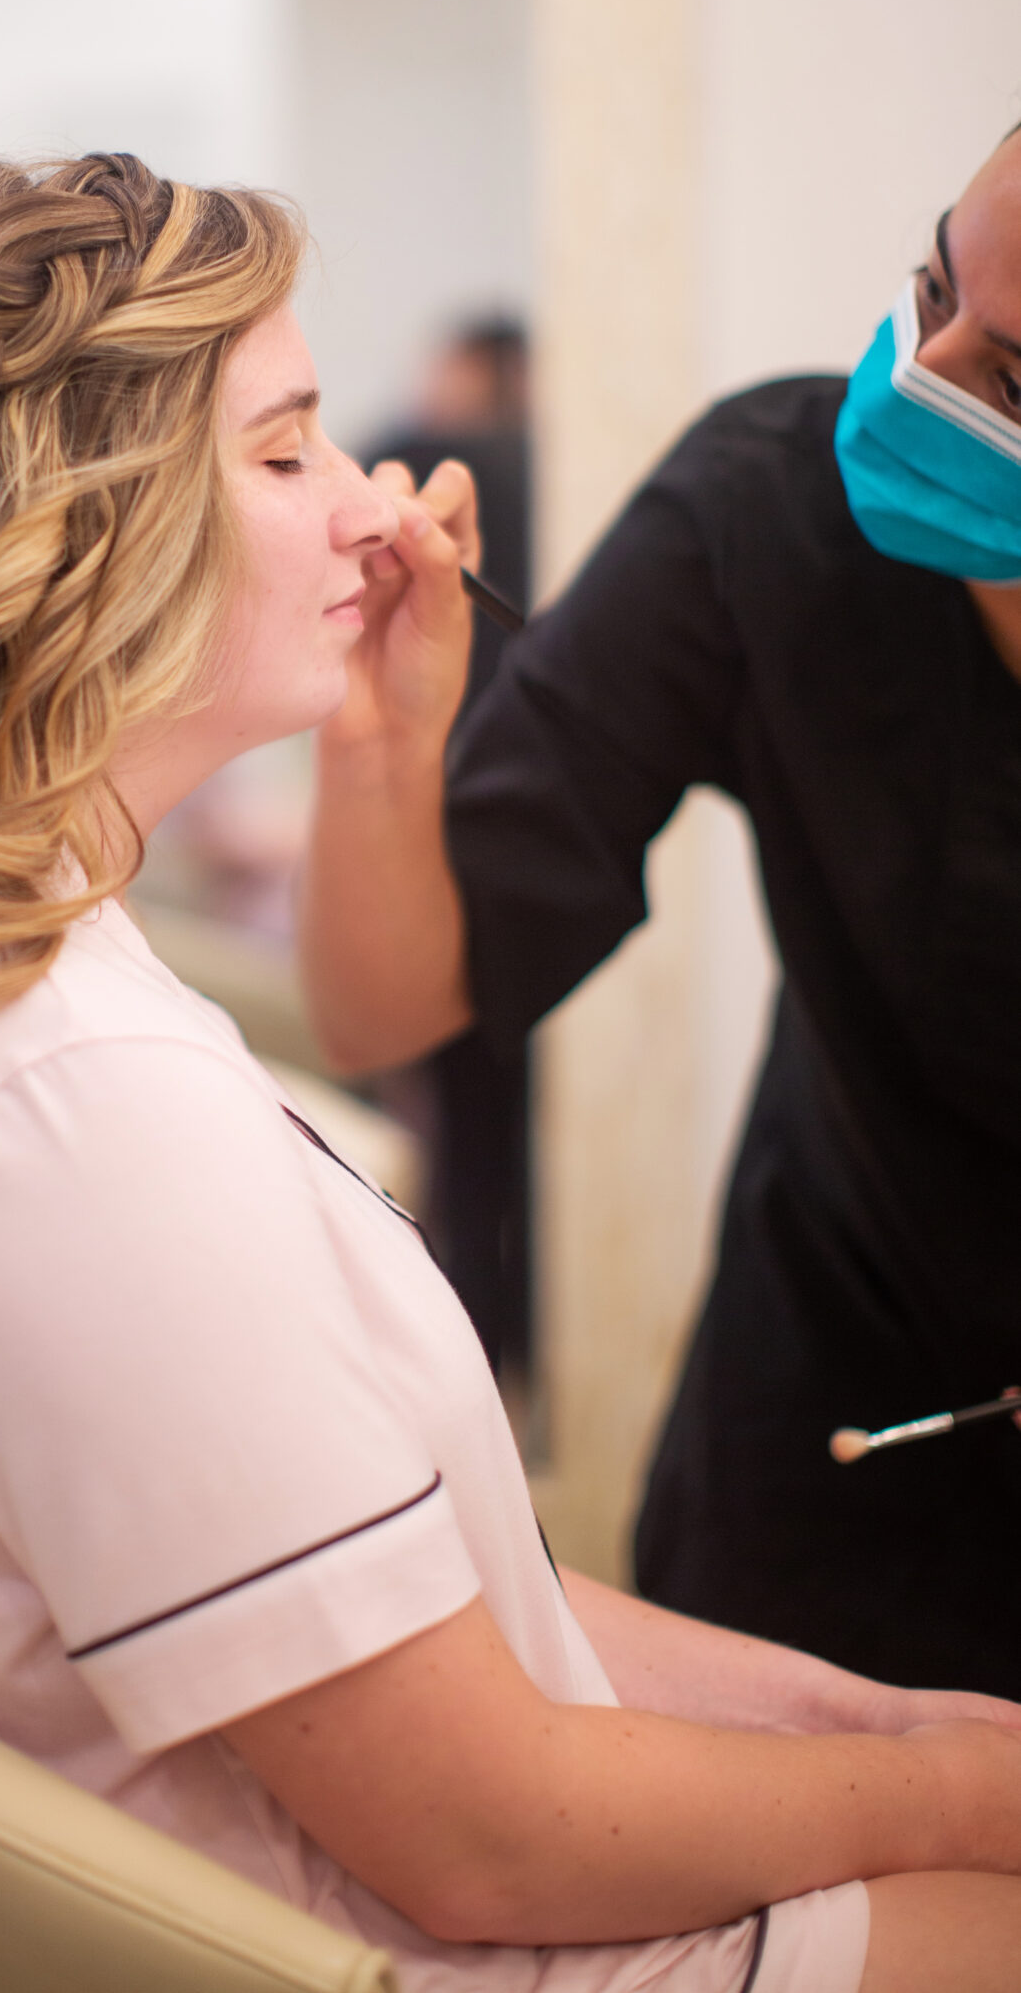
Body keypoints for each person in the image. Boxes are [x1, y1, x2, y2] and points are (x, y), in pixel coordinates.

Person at [0, 154, 1021, 1993]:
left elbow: (481, 1628)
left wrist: (894, 1742)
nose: (376, 513)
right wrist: (953, 1795)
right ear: (81, 535)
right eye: (291, 448)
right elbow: (493, 1833)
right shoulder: (62, 1117)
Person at [302, 121, 1021, 1706]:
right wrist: (378, 740)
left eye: (1011, 382)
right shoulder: (766, 514)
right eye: (929, 285)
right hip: (822, 1456)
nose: (921, 377)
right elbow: (384, 1012)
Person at [360, 316, 534, 1375]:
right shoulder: (549, 463)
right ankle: (500, 1344)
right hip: (509, 809)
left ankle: (476, 1333)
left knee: (468, 1138)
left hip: (455, 812)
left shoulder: (432, 452)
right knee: (500, 1132)